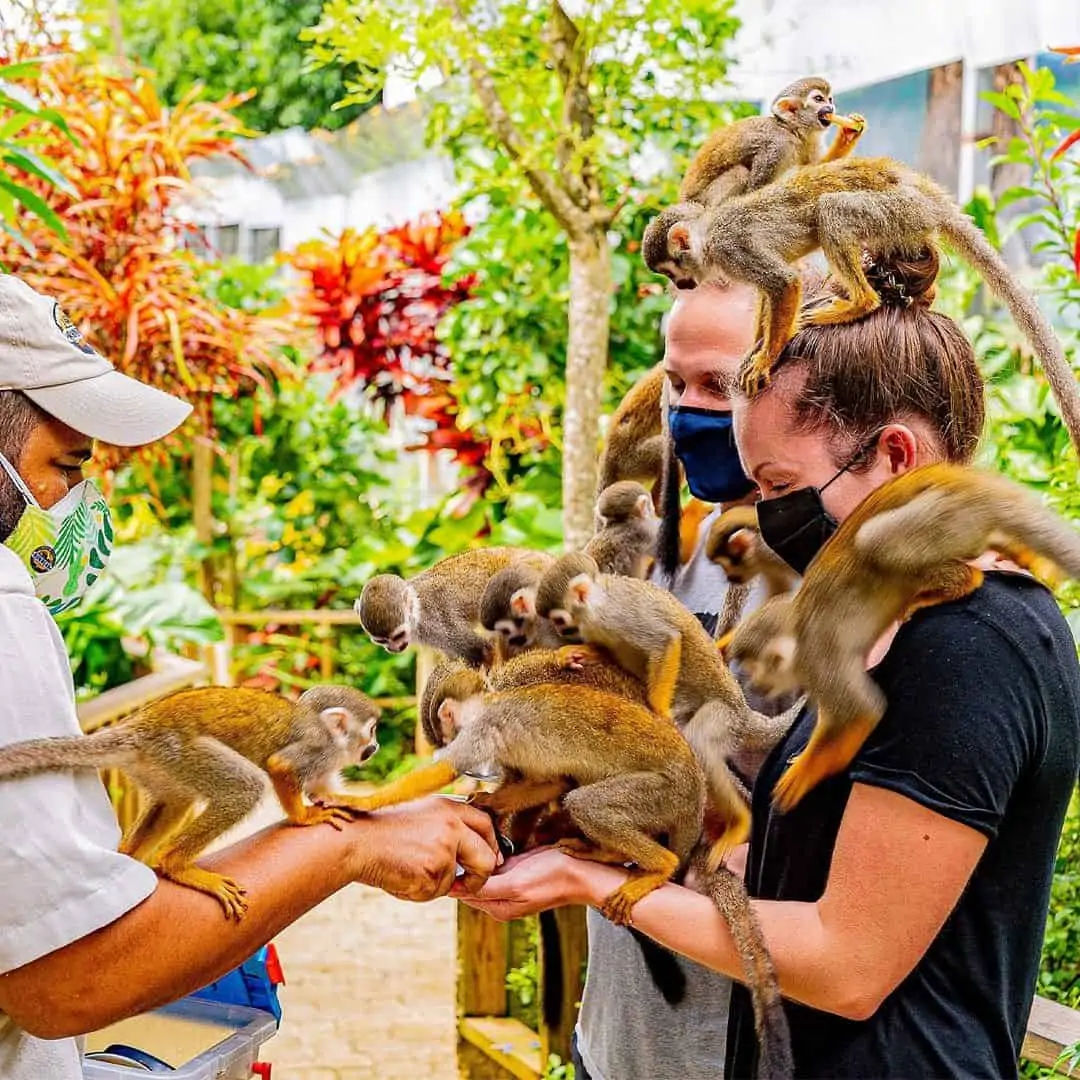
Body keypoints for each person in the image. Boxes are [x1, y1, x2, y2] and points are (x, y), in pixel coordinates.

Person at [458, 253, 1080, 1079]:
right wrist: (580, 834)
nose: (770, 514)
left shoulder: (972, 645)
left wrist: (588, 881)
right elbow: (787, 869)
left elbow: (847, 964)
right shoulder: (881, 624)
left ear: (893, 455)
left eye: (780, 483)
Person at [0, 274, 500, 1080]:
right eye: (65, 464)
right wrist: (346, 850)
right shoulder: (3, 607)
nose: (68, 498)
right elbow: (64, 980)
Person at [573, 280, 773, 1080]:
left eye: (718, 387)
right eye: (675, 384)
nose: (689, 412)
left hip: (717, 1048)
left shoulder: (823, 598)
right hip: (613, 1035)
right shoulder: (663, 560)